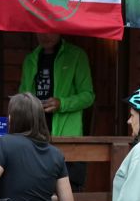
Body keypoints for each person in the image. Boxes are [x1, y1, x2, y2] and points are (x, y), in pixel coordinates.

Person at [20, 33, 94, 189]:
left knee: (68, 187)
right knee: (36, 186)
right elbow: (23, 94)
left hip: (67, 132)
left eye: (50, 30)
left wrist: (62, 103)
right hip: (35, 132)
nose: (45, 35)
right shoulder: (30, 59)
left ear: (60, 29)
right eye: (41, 30)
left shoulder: (76, 55)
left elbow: (88, 96)